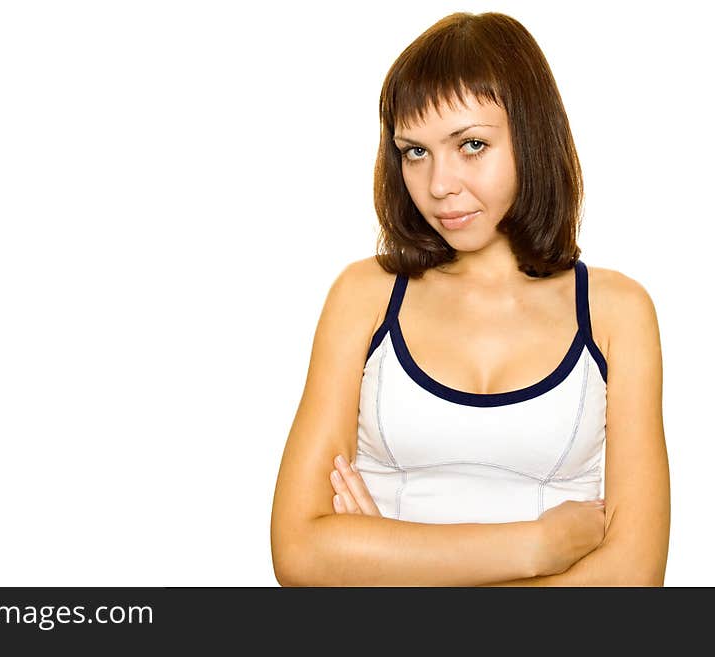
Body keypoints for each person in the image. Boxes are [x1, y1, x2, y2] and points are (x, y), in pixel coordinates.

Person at [269, 11, 670, 587]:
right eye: (415, 152)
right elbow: (301, 554)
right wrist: (539, 545)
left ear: (531, 137)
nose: (438, 184)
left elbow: (633, 580)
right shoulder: (365, 296)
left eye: (472, 145)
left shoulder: (616, 312)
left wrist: (383, 566)